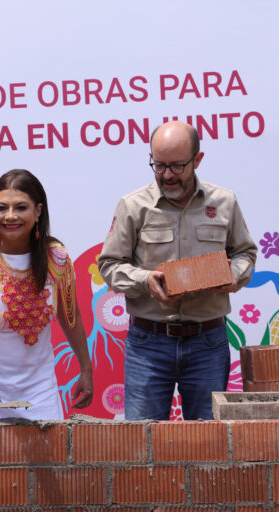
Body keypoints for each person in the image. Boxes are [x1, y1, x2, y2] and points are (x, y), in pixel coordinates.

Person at [98, 121, 257, 420]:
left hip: (207, 343)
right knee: (142, 445)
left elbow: (245, 253)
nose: (167, 175)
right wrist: (146, 280)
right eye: (158, 166)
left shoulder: (224, 202)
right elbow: (109, 265)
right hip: (148, 344)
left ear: (198, 160)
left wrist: (235, 274)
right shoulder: (133, 206)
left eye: (177, 166)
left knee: (207, 445)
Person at [0, 169, 93, 423]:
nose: (10, 216)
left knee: (43, 462)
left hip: (36, 388)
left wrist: (85, 368)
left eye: (20, 207)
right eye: (2, 208)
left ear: (38, 211)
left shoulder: (57, 259)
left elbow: (71, 316)